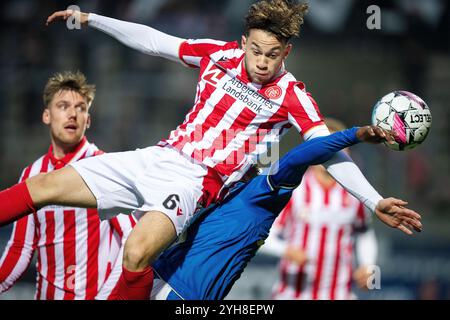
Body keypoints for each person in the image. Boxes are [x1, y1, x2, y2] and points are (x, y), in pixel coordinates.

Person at [0, 0, 422, 300]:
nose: (261, 61)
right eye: (255, 50)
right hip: (157, 156)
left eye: (272, 55)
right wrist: (91, 18)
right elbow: (153, 41)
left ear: (286, 53)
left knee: (136, 251)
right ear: (243, 42)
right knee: (42, 186)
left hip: (196, 183)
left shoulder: (293, 95)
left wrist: (374, 199)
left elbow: (327, 152)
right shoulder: (217, 54)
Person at [96, 125, 421, 300]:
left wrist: (357, 135)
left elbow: (297, 157)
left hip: (186, 293)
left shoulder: (263, 192)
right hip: (156, 278)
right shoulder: (213, 184)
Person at [0, 71, 131, 299]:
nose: (73, 114)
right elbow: (20, 247)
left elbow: (130, 239)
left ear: (88, 120)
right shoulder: (32, 174)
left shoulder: (104, 167)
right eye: (63, 106)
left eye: (81, 108)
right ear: (46, 116)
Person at [260, 118, 378, 300]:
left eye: (339, 145)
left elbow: (364, 233)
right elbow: (263, 237)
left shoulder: (356, 193)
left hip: (339, 294)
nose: (332, 151)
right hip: (292, 293)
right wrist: (286, 250)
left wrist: (369, 266)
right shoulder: (294, 188)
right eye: (326, 144)